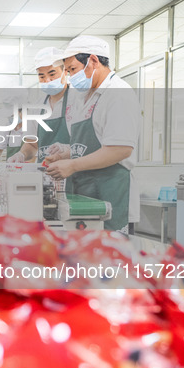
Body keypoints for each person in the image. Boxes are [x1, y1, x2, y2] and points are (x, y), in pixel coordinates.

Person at [45, 35, 141, 234]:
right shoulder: (83, 97)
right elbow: (92, 144)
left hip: (112, 194)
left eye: (73, 69)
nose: (71, 77)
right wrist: (67, 154)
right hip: (86, 195)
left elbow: (119, 149)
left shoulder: (117, 93)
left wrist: (72, 165)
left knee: (110, 261)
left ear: (94, 61)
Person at [7, 47, 72, 165]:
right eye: (41, 76)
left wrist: (68, 149)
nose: (47, 80)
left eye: (52, 74)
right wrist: (21, 154)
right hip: (46, 175)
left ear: (65, 71)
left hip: (75, 175)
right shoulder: (37, 107)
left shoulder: (78, 100)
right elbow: (32, 144)